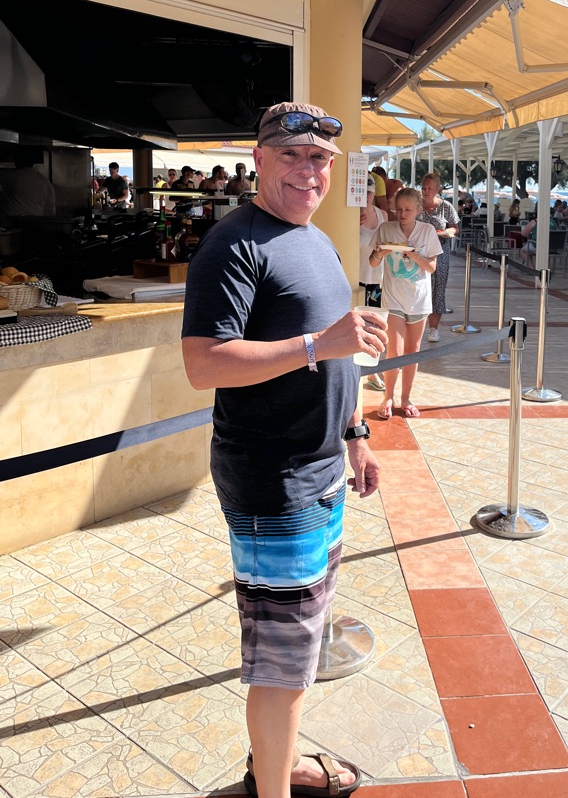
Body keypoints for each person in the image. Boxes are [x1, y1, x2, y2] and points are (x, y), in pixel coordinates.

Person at [182, 102, 386, 798]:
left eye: (320, 158)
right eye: (292, 155)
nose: (308, 170)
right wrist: (316, 345)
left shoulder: (315, 238)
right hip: (274, 481)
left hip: (322, 469)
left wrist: (355, 435)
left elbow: (338, 351)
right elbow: (204, 363)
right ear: (259, 159)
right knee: (283, 667)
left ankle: (273, 764)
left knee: (299, 643)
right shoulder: (233, 244)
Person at [369, 187, 441, 419]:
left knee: (412, 350)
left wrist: (413, 254)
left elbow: (431, 267)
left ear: (418, 210)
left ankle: (406, 397)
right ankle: (388, 396)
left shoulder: (427, 231)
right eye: (399, 209)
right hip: (393, 298)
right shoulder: (386, 229)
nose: (402, 214)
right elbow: (373, 262)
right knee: (395, 350)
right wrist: (379, 254)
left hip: (419, 300)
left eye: (408, 210)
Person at [418, 171, 459, 342]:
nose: (426, 191)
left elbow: (455, 227)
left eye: (429, 188)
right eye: (423, 188)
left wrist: (446, 232)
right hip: (418, 252)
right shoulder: (416, 204)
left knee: (438, 289)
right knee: (418, 287)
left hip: (440, 252)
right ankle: (416, 327)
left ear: (437, 189)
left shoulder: (445, 206)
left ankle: (433, 329)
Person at [359, 175, 388, 390]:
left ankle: (371, 370)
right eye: (361, 191)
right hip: (355, 278)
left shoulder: (382, 215)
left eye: (368, 192)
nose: (365, 196)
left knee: (373, 326)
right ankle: (356, 370)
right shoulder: (350, 215)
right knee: (355, 326)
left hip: (376, 280)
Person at [0, 150, 56, 218]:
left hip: (12, 222)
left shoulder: (12, 176)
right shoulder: (46, 183)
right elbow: (50, 213)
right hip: (36, 222)